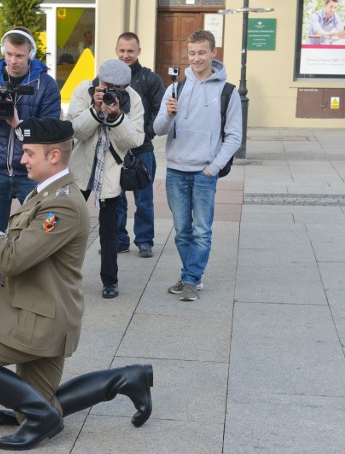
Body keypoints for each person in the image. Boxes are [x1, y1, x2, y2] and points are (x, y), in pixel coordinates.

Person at [0, 117, 153, 451]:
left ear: (54, 156)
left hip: (39, 321)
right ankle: (126, 378)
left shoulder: (62, 203)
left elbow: (12, 259)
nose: (22, 159)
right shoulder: (47, 193)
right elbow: (18, 246)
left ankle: (38, 415)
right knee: (35, 407)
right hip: (39, 310)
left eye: (28, 153)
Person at [0, 26, 61, 314]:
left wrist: (18, 124)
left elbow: (51, 132)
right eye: (8, 54)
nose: (13, 60)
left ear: (30, 54)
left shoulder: (45, 84)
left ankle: (37, 287)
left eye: (19, 55)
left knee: (37, 233)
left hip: (30, 171)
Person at [153, 30, 241, 302]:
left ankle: (190, 279)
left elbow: (234, 136)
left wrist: (212, 168)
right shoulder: (175, 88)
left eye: (202, 52)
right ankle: (192, 275)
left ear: (214, 53)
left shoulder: (227, 92)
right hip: (176, 170)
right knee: (182, 231)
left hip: (204, 172)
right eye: (192, 53)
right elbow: (157, 129)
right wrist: (168, 114)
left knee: (201, 230)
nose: (196, 58)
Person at [67, 59, 145, 299]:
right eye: (106, 85)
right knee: (70, 227)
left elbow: (135, 140)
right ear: (99, 80)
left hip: (111, 171)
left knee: (109, 231)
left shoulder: (133, 99)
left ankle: (110, 281)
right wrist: (95, 110)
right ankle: (66, 279)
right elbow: (75, 131)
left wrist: (117, 117)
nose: (110, 90)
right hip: (82, 169)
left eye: (116, 88)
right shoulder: (83, 90)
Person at [113, 32, 166, 258]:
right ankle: (119, 239)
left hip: (142, 151)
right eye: (122, 50)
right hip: (116, 151)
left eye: (130, 51)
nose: (126, 55)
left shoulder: (150, 79)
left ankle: (145, 241)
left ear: (139, 52)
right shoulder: (108, 77)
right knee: (116, 198)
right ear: (117, 51)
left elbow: (160, 110)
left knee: (144, 199)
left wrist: (147, 134)